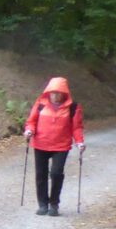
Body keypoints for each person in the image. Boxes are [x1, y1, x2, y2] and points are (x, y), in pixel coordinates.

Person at [24, 77, 85, 217]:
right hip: (41, 144)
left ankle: (54, 204)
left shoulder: (73, 107)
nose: (55, 96)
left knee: (56, 174)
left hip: (61, 145)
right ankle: (43, 204)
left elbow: (77, 127)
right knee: (41, 175)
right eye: (53, 92)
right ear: (48, 92)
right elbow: (31, 121)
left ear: (65, 93)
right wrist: (29, 131)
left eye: (59, 93)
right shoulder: (40, 104)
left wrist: (79, 142)